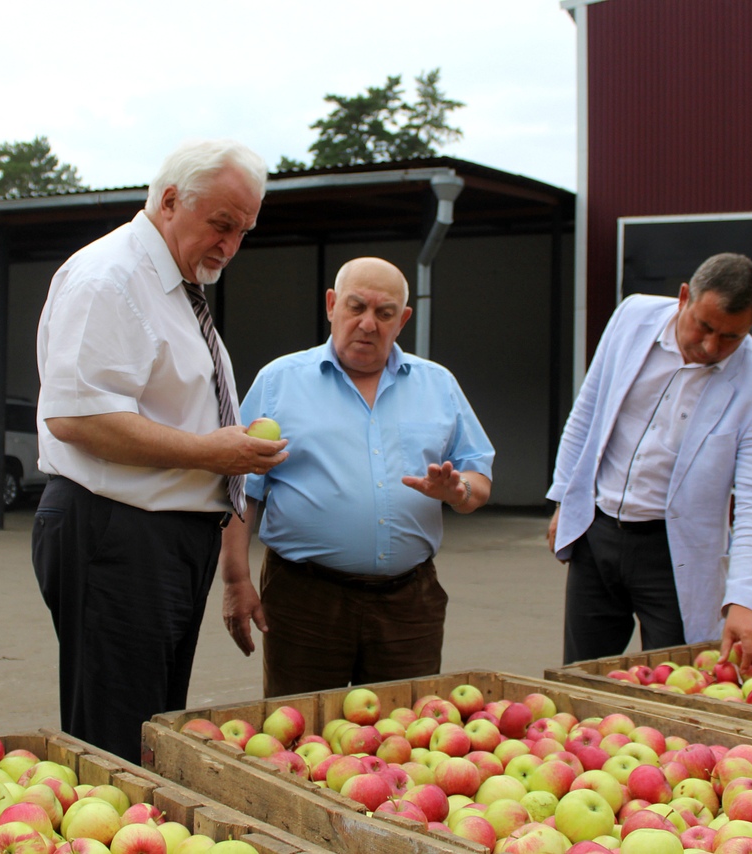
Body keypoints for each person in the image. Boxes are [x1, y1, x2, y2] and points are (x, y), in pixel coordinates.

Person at [32, 139, 287, 763]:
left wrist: (219, 449)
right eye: (221, 224)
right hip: (116, 532)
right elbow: (77, 416)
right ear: (170, 200)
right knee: (116, 738)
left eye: (244, 231)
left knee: (148, 726)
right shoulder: (110, 277)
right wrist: (210, 451)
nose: (229, 245)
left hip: (159, 538)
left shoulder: (170, 285)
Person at [219, 256, 494, 697]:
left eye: (384, 313)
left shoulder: (437, 385)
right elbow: (241, 489)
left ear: (402, 320)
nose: (368, 323)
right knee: (299, 735)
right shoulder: (280, 382)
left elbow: (478, 473)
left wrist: (458, 492)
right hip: (305, 599)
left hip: (410, 603)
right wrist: (236, 581)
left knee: (405, 738)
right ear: (331, 305)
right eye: (356, 307)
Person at [547, 252, 752, 671]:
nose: (712, 347)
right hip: (597, 532)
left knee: (675, 684)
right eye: (705, 326)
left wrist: (745, 599)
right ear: (683, 298)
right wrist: (565, 501)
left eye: (732, 338)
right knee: (579, 677)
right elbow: (588, 410)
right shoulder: (632, 317)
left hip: (673, 556)